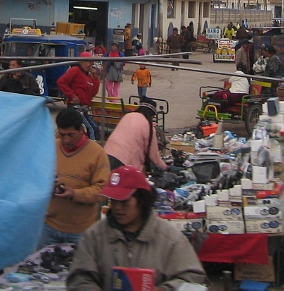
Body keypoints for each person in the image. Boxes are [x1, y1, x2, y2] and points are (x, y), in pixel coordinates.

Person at [67, 166, 207, 291]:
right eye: (114, 200)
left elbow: (193, 279)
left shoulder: (170, 239)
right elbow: (79, 279)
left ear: (141, 200)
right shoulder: (94, 236)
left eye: (124, 201)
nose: (117, 207)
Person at [39, 108, 110, 249]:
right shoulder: (50, 147)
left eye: (71, 135)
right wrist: (47, 185)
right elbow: (36, 177)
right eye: (62, 134)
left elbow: (102, 190)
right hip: (49, 227)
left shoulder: (97, 154)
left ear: (81, 130)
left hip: (80, 231)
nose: (66, 140)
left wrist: (75, 194)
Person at [103, 98, 167, 173]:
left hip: (105, 155)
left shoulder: (128, 116)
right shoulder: (148, 126)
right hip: (123, 162)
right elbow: (154, 157)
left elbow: (130, 136)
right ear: (151, 115)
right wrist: (165, 167)